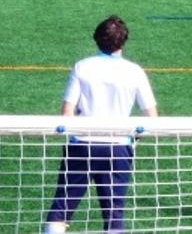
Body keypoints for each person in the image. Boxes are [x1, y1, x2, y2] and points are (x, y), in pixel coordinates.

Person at [45, 16, 158, 233]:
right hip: (118, 149)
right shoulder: (134, 71)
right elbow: (151, 118)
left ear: (97, 39)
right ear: (124, 41)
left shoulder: (82, 67)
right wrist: (132, 139)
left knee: (61, 208)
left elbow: (66, 113)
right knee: (114, 215)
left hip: (82, 145)